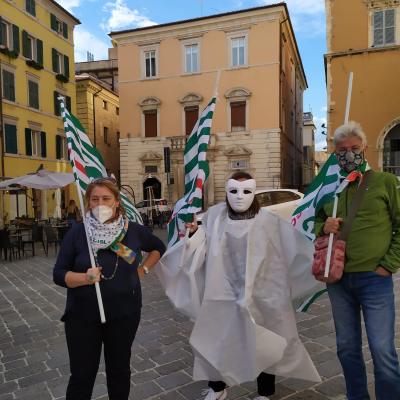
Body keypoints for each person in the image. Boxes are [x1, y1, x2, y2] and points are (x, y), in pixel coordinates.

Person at [157, 172, 321, 400]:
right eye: (233, 191)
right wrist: (193, 234)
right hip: (221, 292)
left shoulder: (269, 221)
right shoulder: (214, 217)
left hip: (261, 293)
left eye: (246, 191)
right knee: (217, 339)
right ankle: (217, 388)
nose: (240, 197)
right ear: (226, 192)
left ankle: (264, 392)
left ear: (254, 193)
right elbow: (200, 245)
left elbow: (290, 251)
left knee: (264, 339)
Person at [53, 177, 166, 400]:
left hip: (125, 314)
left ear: (116, 202)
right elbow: (58, 274)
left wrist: (142, 271)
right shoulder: (78, 232)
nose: (100, 203)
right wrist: (85, 277)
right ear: (88, 202)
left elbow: (158, 247)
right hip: (82, 317)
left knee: (119, 372)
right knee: (82, 376)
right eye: (95, 199)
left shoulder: (131, 230)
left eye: (106, 198)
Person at [315, 121, 400, 400]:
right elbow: (314, 223)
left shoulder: (385, 182)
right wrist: (323, 226)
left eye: (353, 148)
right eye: (342, 150)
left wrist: (388, 265)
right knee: (347, 348)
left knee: (382, 349)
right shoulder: (330, 190)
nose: (348, 154)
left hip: (374, 279)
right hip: (338, 281)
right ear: (335, 154)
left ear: (364, 148)